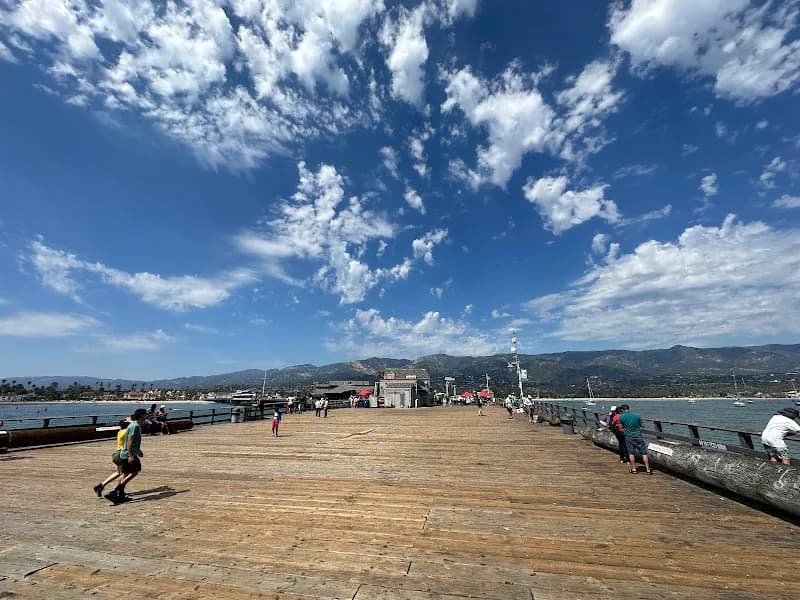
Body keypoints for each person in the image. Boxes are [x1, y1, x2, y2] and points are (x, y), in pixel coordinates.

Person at [105, 409, 146, 503]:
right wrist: (131, 456)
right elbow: (130, 441)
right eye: (145, 415)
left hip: (128, 453)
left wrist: (138, 451)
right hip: (128, 454)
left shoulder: (133, 425)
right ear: (141, 416)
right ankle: (115, 492)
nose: (146, 416)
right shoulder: (135, 426)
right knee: (134, 472)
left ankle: (120, 495)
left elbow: (133, 441)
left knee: (126, 473)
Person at [93, 418, 129, 497]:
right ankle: (119, 491)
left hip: (116, 454)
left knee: (119, 473)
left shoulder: (120, 432)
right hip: (122, 454)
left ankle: (101, 486)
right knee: (125, 473)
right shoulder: (126, 432)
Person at [618, 405, 652, 474]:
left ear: (622, 410)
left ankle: (634, 469)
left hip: (628, 436)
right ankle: (648, 470)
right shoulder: (637, 415)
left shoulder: (621, 417)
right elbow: (642, 425)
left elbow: (621, 428)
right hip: (638, 435)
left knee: (631, 453)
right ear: (629, 408)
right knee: (644, 453)